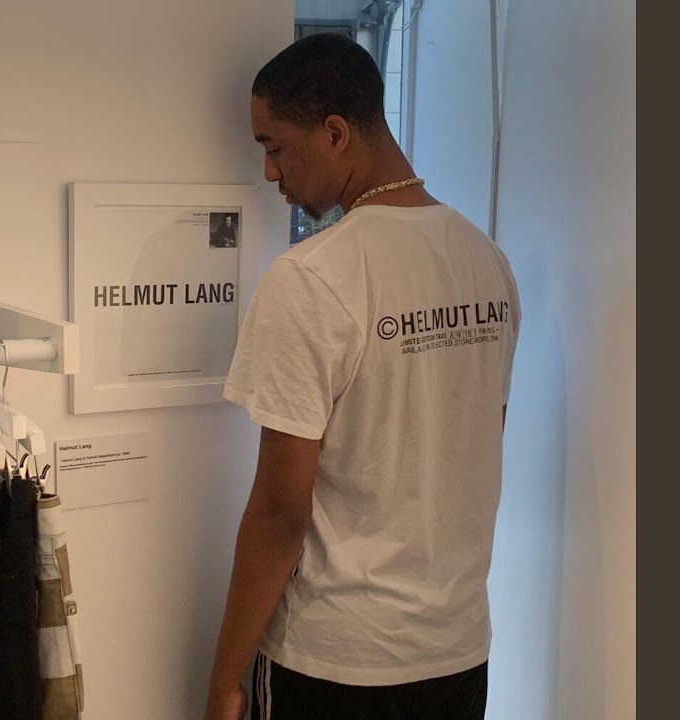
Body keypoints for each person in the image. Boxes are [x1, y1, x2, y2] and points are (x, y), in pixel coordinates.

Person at [204, 33, 522, 720]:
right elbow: (477, 447)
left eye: (273, 146)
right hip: (457, 650)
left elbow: (280, 512)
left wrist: (225, 680)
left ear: (336, 132)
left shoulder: (312, 278)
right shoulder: (487, 262)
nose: (269, 173)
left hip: (337, 660)